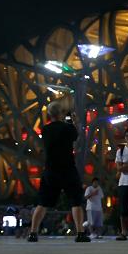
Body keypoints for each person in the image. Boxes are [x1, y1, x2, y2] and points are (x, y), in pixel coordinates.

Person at [26, 103, 90, 242]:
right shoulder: (68, 128)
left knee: (42, 203)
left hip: (50, 169)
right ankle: (80, 233)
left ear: (50, 114)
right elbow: (76, 137)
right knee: (75, 202)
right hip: (67, 168)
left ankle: (33, 233)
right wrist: (75, 122)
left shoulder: (45, 129)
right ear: (61, 113)